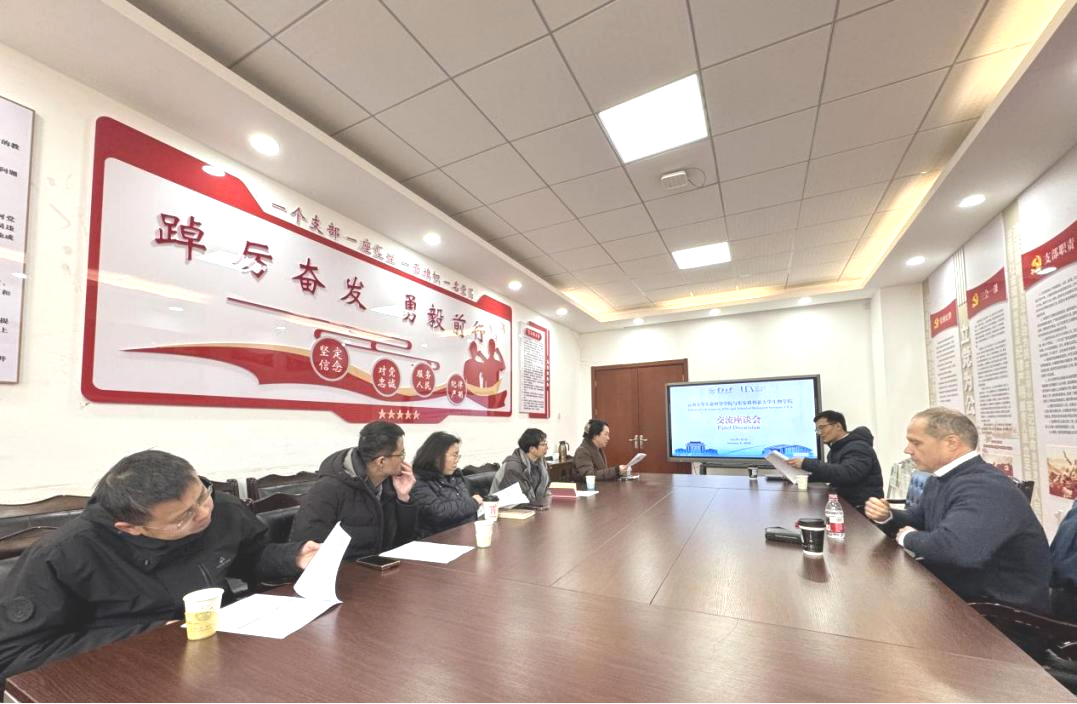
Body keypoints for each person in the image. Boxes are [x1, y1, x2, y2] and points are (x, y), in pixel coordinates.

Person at [0, 450, 318, 678]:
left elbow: (248, 558)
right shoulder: (63, 555)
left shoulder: (221, 509)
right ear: (130, 527)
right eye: (184, 517)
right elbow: (15, 654)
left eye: (202, 496)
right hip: (125, 671)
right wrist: (148, 635)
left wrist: (292, 557)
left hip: (219, 651)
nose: (204, 514)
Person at [864, 407, 1050, 613]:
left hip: (998, 611)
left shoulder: (984, 486)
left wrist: (907, 537)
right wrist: (888, 516)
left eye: (916, 443)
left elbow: (956, 550)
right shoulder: (941, 478)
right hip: (958, 589)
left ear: (951, 443)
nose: (907, 450)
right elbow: (920, 518)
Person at [290, 421, 417, 560]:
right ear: (381, 461)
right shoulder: (327, 490)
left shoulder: (390, 483)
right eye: (401, 454)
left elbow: (403, 540)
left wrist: (403, 499)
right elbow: (308, 551)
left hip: (380, 565)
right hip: (345, 569)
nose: (404, 460)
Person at [786, 410, 884, 510]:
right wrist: (797, 476)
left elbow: (848, 474)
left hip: (862, 508)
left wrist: (806, 463)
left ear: (838, 426)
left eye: (822, 427)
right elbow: (831, 475)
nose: (819, 433)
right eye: (817, 430)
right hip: (844, 503)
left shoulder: (858, 446)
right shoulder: (837, 448)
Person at [410, 431, 482, 537]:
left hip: (465, 534)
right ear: (437, 456)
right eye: (454, 455)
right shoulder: (418, 480)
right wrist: (473, 502)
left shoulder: (455, 476)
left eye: (458, 456)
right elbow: (438, 513)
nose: (457, 460)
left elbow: (464, 507)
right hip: (438, 539)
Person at [490, 428, 550, 505]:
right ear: (532, 449)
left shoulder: (541, 463)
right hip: (503, 508)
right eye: (543, 444)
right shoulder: (513, 468)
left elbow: (544, 490)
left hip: (529, 506)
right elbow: (518, 499)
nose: (547, 447)